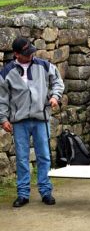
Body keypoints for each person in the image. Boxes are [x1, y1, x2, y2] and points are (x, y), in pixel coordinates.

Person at [0, 37, 64, 207]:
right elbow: (2, 98)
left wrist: (55, 97)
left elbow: (58, 82)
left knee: (43, 156)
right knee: (21, 158)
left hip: (40, 117)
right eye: (26, 53)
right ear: (16, 54)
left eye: (31, 52)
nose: (30, 55)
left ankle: (45, 191)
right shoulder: (6, 72)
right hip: (19, 121)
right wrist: (3, 118)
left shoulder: (44, 65)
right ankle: (23, 194)